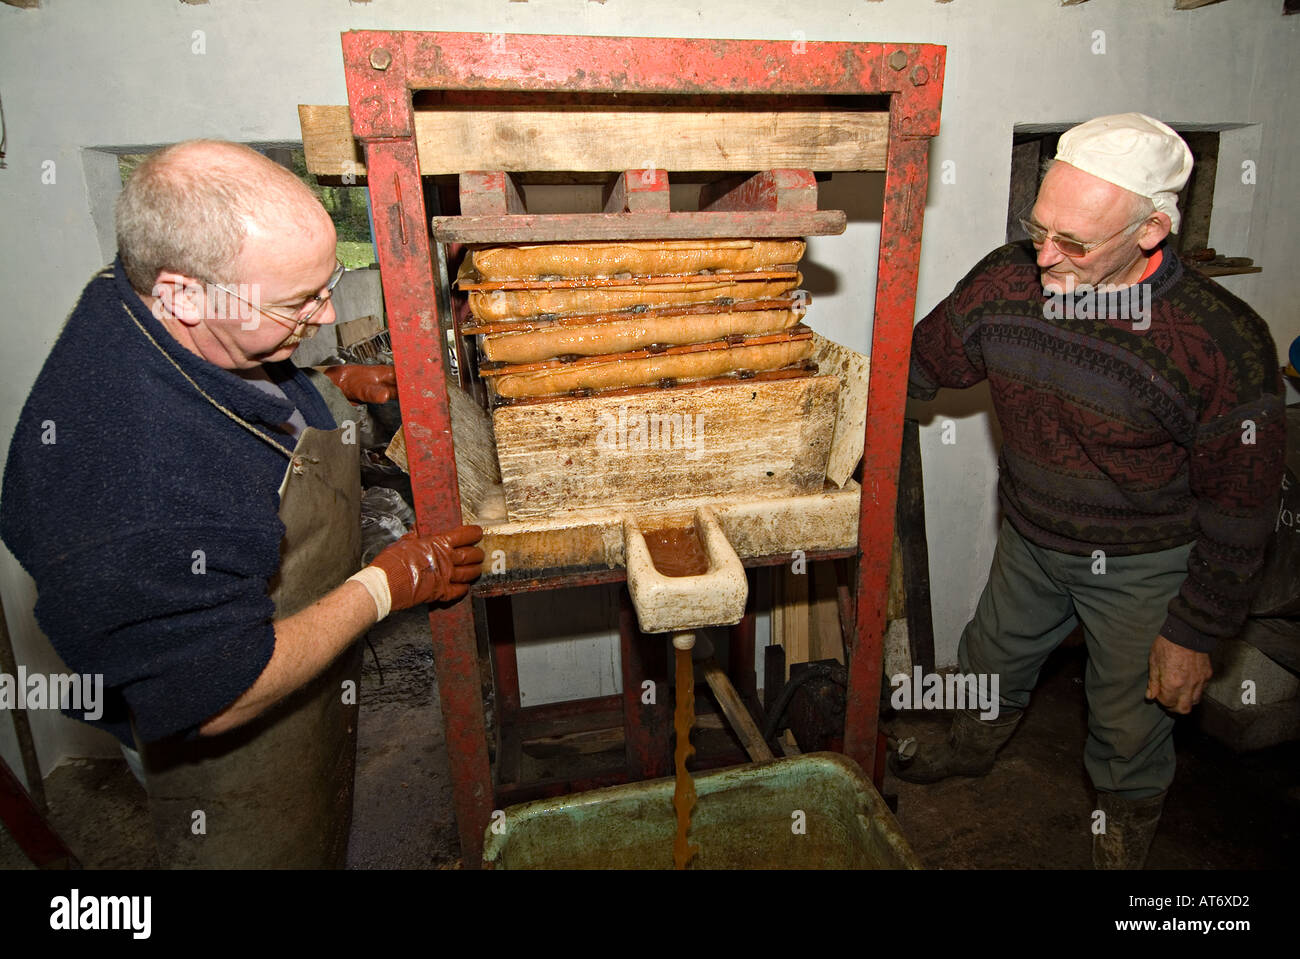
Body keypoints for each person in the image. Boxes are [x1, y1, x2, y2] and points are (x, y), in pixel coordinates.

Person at [0, 140, 485, 868]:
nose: (323, 314)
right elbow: (220, 691)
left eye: (326, 286)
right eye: (298, 303)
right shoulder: (138, 477)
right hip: (219, 736)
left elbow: (222, 377)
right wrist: (386, 585)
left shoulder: (148, 298)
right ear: (185, 293)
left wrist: (327, 381)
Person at [895, 114, 1285, 869]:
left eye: (1074, 242)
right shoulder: (1007, 281)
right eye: (1038, 228)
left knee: (1129, 723)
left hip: (1148, 563)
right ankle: (969, 752)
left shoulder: (1220, 341)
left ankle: (1122, 851)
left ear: (1153, 229)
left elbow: (1242, 510)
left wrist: (1197, 631)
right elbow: (922, 363)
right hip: (1034, 536)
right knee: (987, 662)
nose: (1044, 255)